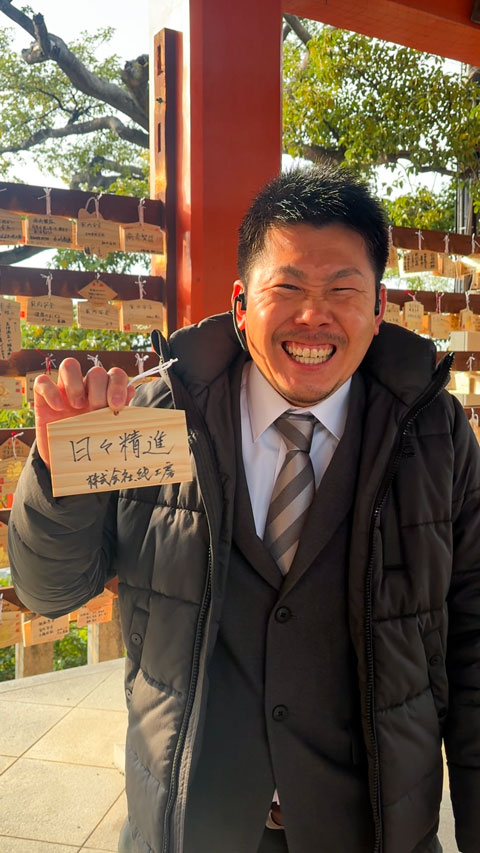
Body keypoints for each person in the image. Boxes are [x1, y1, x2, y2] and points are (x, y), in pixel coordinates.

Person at [8, 164, 480, 853]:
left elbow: (473, 639)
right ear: (240, 303)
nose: (313, 316)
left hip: (375, 828)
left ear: (379, 308)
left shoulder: (433, 434)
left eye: (343, 290)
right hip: (191, 828)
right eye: (286, 288)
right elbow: (48, 590)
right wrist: (59, 474)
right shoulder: (153, 418)